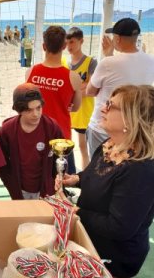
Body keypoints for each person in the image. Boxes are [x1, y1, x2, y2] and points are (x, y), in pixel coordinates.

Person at [60, 85, 154, 278]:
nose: (103, 108)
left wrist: (77, 212)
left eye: (111, 105)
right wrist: (77, 179)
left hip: (115, 256)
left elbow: (119, 227)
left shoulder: (139, 169)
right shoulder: (109, 144)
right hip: (94, 242)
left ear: (130, 119)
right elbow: (98, 176)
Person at [86, 18, 154, 158]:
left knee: (99, 169)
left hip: (104, 126)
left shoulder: (108, 63)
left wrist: (108, 56)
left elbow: (90, 91)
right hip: (133, 128)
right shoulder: (150, 61)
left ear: (117, 39)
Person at [25, 26, 82, 173]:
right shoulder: (73, 77)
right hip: (60, 137)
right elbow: (76, 107)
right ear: (64, 46)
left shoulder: (31, 72)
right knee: (60, 181)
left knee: (35, 178)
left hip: (34, 133)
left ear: (44, 46)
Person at [0, 83, 63, 199]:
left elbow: (60, 159)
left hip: (47, 191)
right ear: (19, 110)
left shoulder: (52, 127)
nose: (36, 114)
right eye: (29, 110)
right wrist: (11, 185)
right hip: (19, 190)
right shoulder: (8, 130)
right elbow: (2, 164)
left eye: (38, 108)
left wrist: (52, 183)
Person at [66, 27, 97, 169]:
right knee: (66, 148)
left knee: (83, 149)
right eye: (67, 42)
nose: (69, 46)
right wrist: (80, 87)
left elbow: (91, 89)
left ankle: (85, 179)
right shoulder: (66, 64)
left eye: (72, 42)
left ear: (81, 41)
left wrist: (77, 89)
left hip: (84, 113)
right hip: (68, 111)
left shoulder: (91, 62)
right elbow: (72, 88)